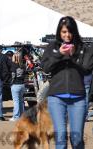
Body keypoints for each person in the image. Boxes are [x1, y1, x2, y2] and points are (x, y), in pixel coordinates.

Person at [41, 16, 93, 149]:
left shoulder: (84, 48)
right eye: (64, 32)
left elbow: (87, 70)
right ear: (59, 32)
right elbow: (46, 68)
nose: (67, 35)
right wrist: (59, 54)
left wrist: (73, 56)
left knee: (76, 140)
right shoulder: (52, 47)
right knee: (60, 138)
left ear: (74, 31)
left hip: (78, 98)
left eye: (70, 32)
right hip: (56, 98)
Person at [9, 52, 25, 121]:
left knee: (16, 101)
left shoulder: (13, 65)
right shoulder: (23, 65)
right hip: (22, 84)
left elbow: (13, 75)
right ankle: (22, 116)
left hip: (15, 84)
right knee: (21, 101)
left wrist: (10, 83)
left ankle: (16, 116)